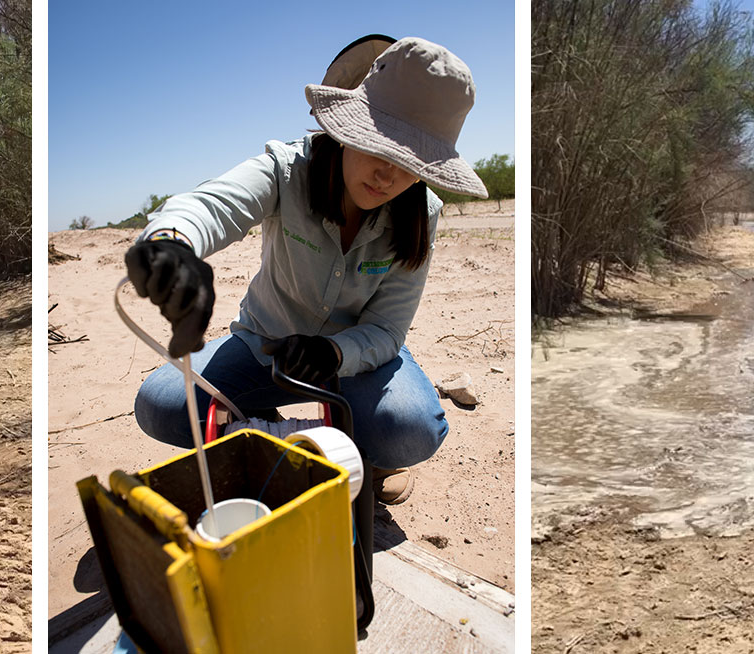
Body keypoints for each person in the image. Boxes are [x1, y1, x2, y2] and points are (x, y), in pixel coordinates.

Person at [125, 37, 487, 505]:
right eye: (379, 146)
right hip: (264, 348)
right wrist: (170, 244)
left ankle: (370, 456)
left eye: (409, 162)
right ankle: (270, 434)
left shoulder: (422, 214)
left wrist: (335, 352)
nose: (387, 175)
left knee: (409, 430)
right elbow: (210, 206)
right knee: (163, 407)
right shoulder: (287, 170)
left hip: (356, 361)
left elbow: (386, 329)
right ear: (349, 129)